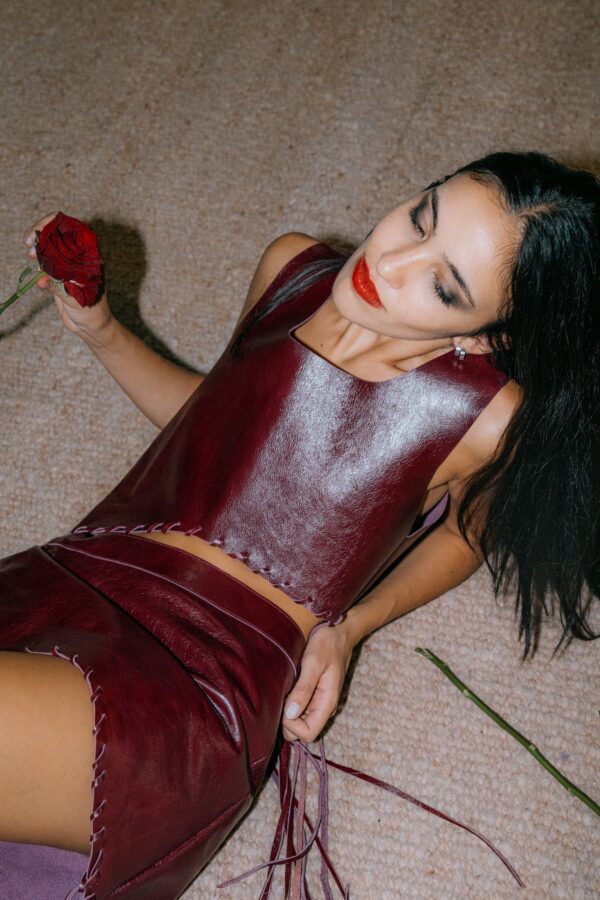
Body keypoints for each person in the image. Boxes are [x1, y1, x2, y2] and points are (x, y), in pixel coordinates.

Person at [0, 149, 598, 899]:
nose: (391, 261)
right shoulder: (291, 269)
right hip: (76, 576)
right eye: (422, 217)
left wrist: (351, 627)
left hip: (199, 679)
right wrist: (101, 331)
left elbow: (464, 537)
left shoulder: (484, 418)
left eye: (444, 286)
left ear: (483, 337)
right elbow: (212, 426)